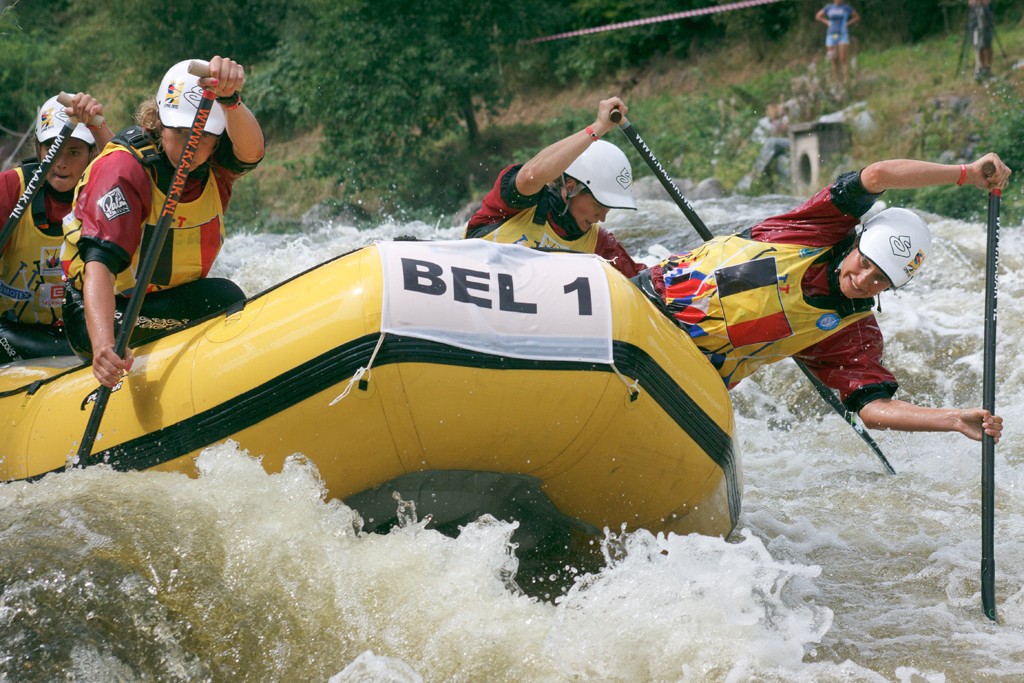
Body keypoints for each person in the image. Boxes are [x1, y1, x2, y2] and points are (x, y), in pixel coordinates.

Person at [631, 154, 1009, 443]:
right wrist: (966, 173)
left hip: (687, 373)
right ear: (856, 242)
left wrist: (954, 420)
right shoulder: (817, 225)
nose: (863, 280)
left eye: (880, 281)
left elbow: (874, 409)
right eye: (864, 263)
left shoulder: (853, 334)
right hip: (644, 302)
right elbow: (877, 176)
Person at [61, 56, 265, 388]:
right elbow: (100, 263)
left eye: (202, 137)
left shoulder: (216, 168)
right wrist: (102, 347)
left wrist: (230, 99)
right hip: (103, 311)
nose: (190, 146)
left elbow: (252, 152)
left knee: (224, 296)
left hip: (165, 302)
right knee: (226, 297)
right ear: (158, 121)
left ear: (218, 140)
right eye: (180, 132)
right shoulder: (124, 170)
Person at [464, 97, 647, 278]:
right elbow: (531, 175)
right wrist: (598, 127)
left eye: (608, 207)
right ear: (571, 187)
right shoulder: (519, 203)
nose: (603, 217)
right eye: (599, 205)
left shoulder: (600, 245)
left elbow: (643, 283)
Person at [0, 93, 113, 363]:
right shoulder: (10, 188)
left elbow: (126, 168)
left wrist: (99, 127)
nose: (61, 163)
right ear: (38, 149)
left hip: (81, 335)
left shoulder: (104, 189)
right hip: (12, 333)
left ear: (91, 154)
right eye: (51, 149)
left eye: (74, 152)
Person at [815, 0, 860, 86]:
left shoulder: (846, 8)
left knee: (843, 58)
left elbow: (857, 17)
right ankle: (837, 81)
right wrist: (827, 22)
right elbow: (818, 16)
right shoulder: (829, 7)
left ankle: (846, 81)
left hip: (842, 34)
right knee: (834, 58)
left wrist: (848, 23)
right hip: (832, 35)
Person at [967, 0, 995, 80]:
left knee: (986, 42)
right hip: (974, 17)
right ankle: (980, 66)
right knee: (977, 43)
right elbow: (971, 3)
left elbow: (987, 2)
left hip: (985, 15)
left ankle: (987, 67)